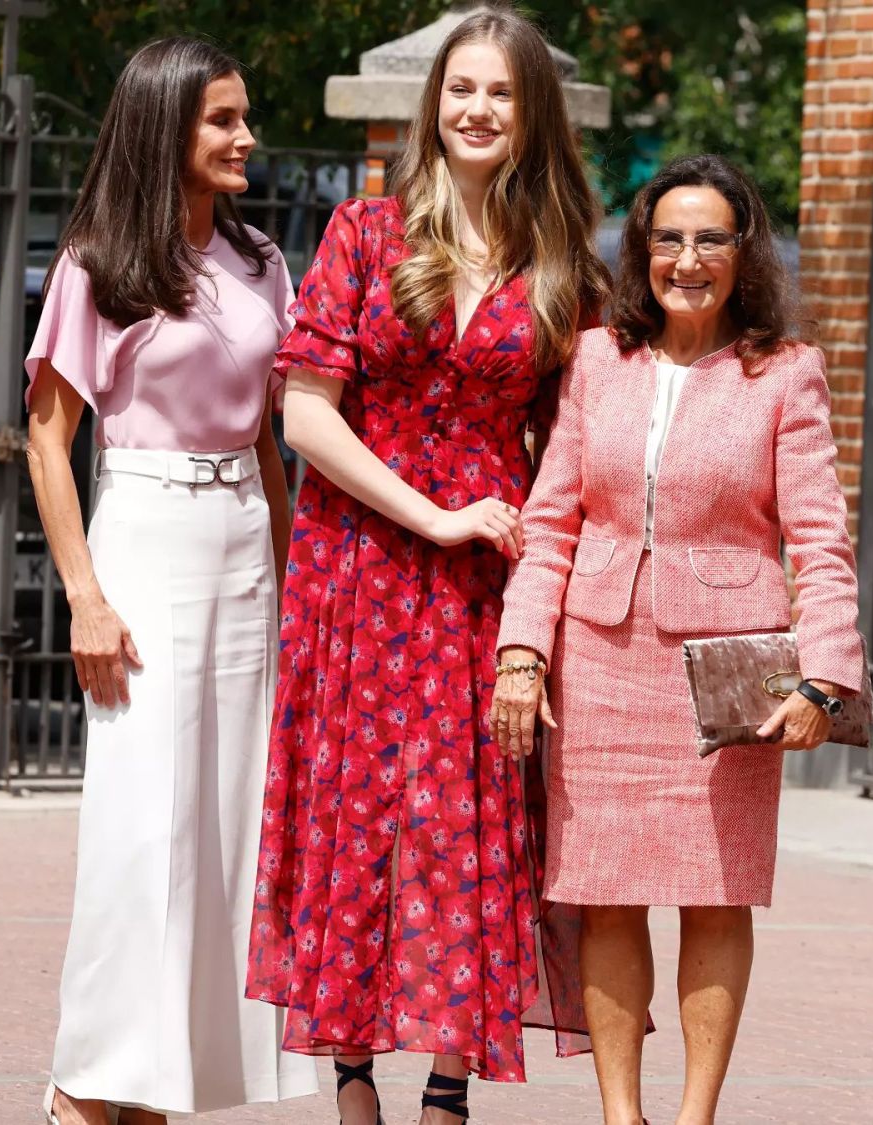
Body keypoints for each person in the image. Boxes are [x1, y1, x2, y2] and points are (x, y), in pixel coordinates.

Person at [244, 9, 610, 1124]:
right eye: (461, 90)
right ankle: (351, 1077)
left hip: (478, 593)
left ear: (530, 111)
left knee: (466, 821)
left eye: (501, 93)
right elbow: (305, 417)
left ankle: (446, 1087)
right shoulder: (365, 231)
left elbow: (576, 451)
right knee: (354, 812)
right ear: (432, 105)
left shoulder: (561, 267)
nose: (477, 110)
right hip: (355, 568)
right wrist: (436, 516)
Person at [492, 153, 863, 1125]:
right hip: (601, 663)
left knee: (715, 894)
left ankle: (693, 1117)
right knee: (606, 892)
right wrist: (522, 649)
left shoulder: (786, 374)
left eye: (710, 238)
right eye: (668, 237)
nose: (687, 258)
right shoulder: (595, 361)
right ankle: (624, 1116)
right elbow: (553, 521)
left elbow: (821, 540)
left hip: (728, 678)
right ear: (641, 250)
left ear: (745, 255)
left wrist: (823, 681)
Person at [25, 37, 318, 1125]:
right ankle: (85, 1088)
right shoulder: (101, 261)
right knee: (144, 831)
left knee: (226, 833)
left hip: (244, 543)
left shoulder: (261, 260)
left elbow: (277, 448)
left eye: (245, 118)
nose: (246, 137)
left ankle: (161, 1094)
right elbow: (48, 441)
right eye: (222, 121)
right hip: (142, 539)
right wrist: (85, 597)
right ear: (167, 127)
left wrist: (294, 594)